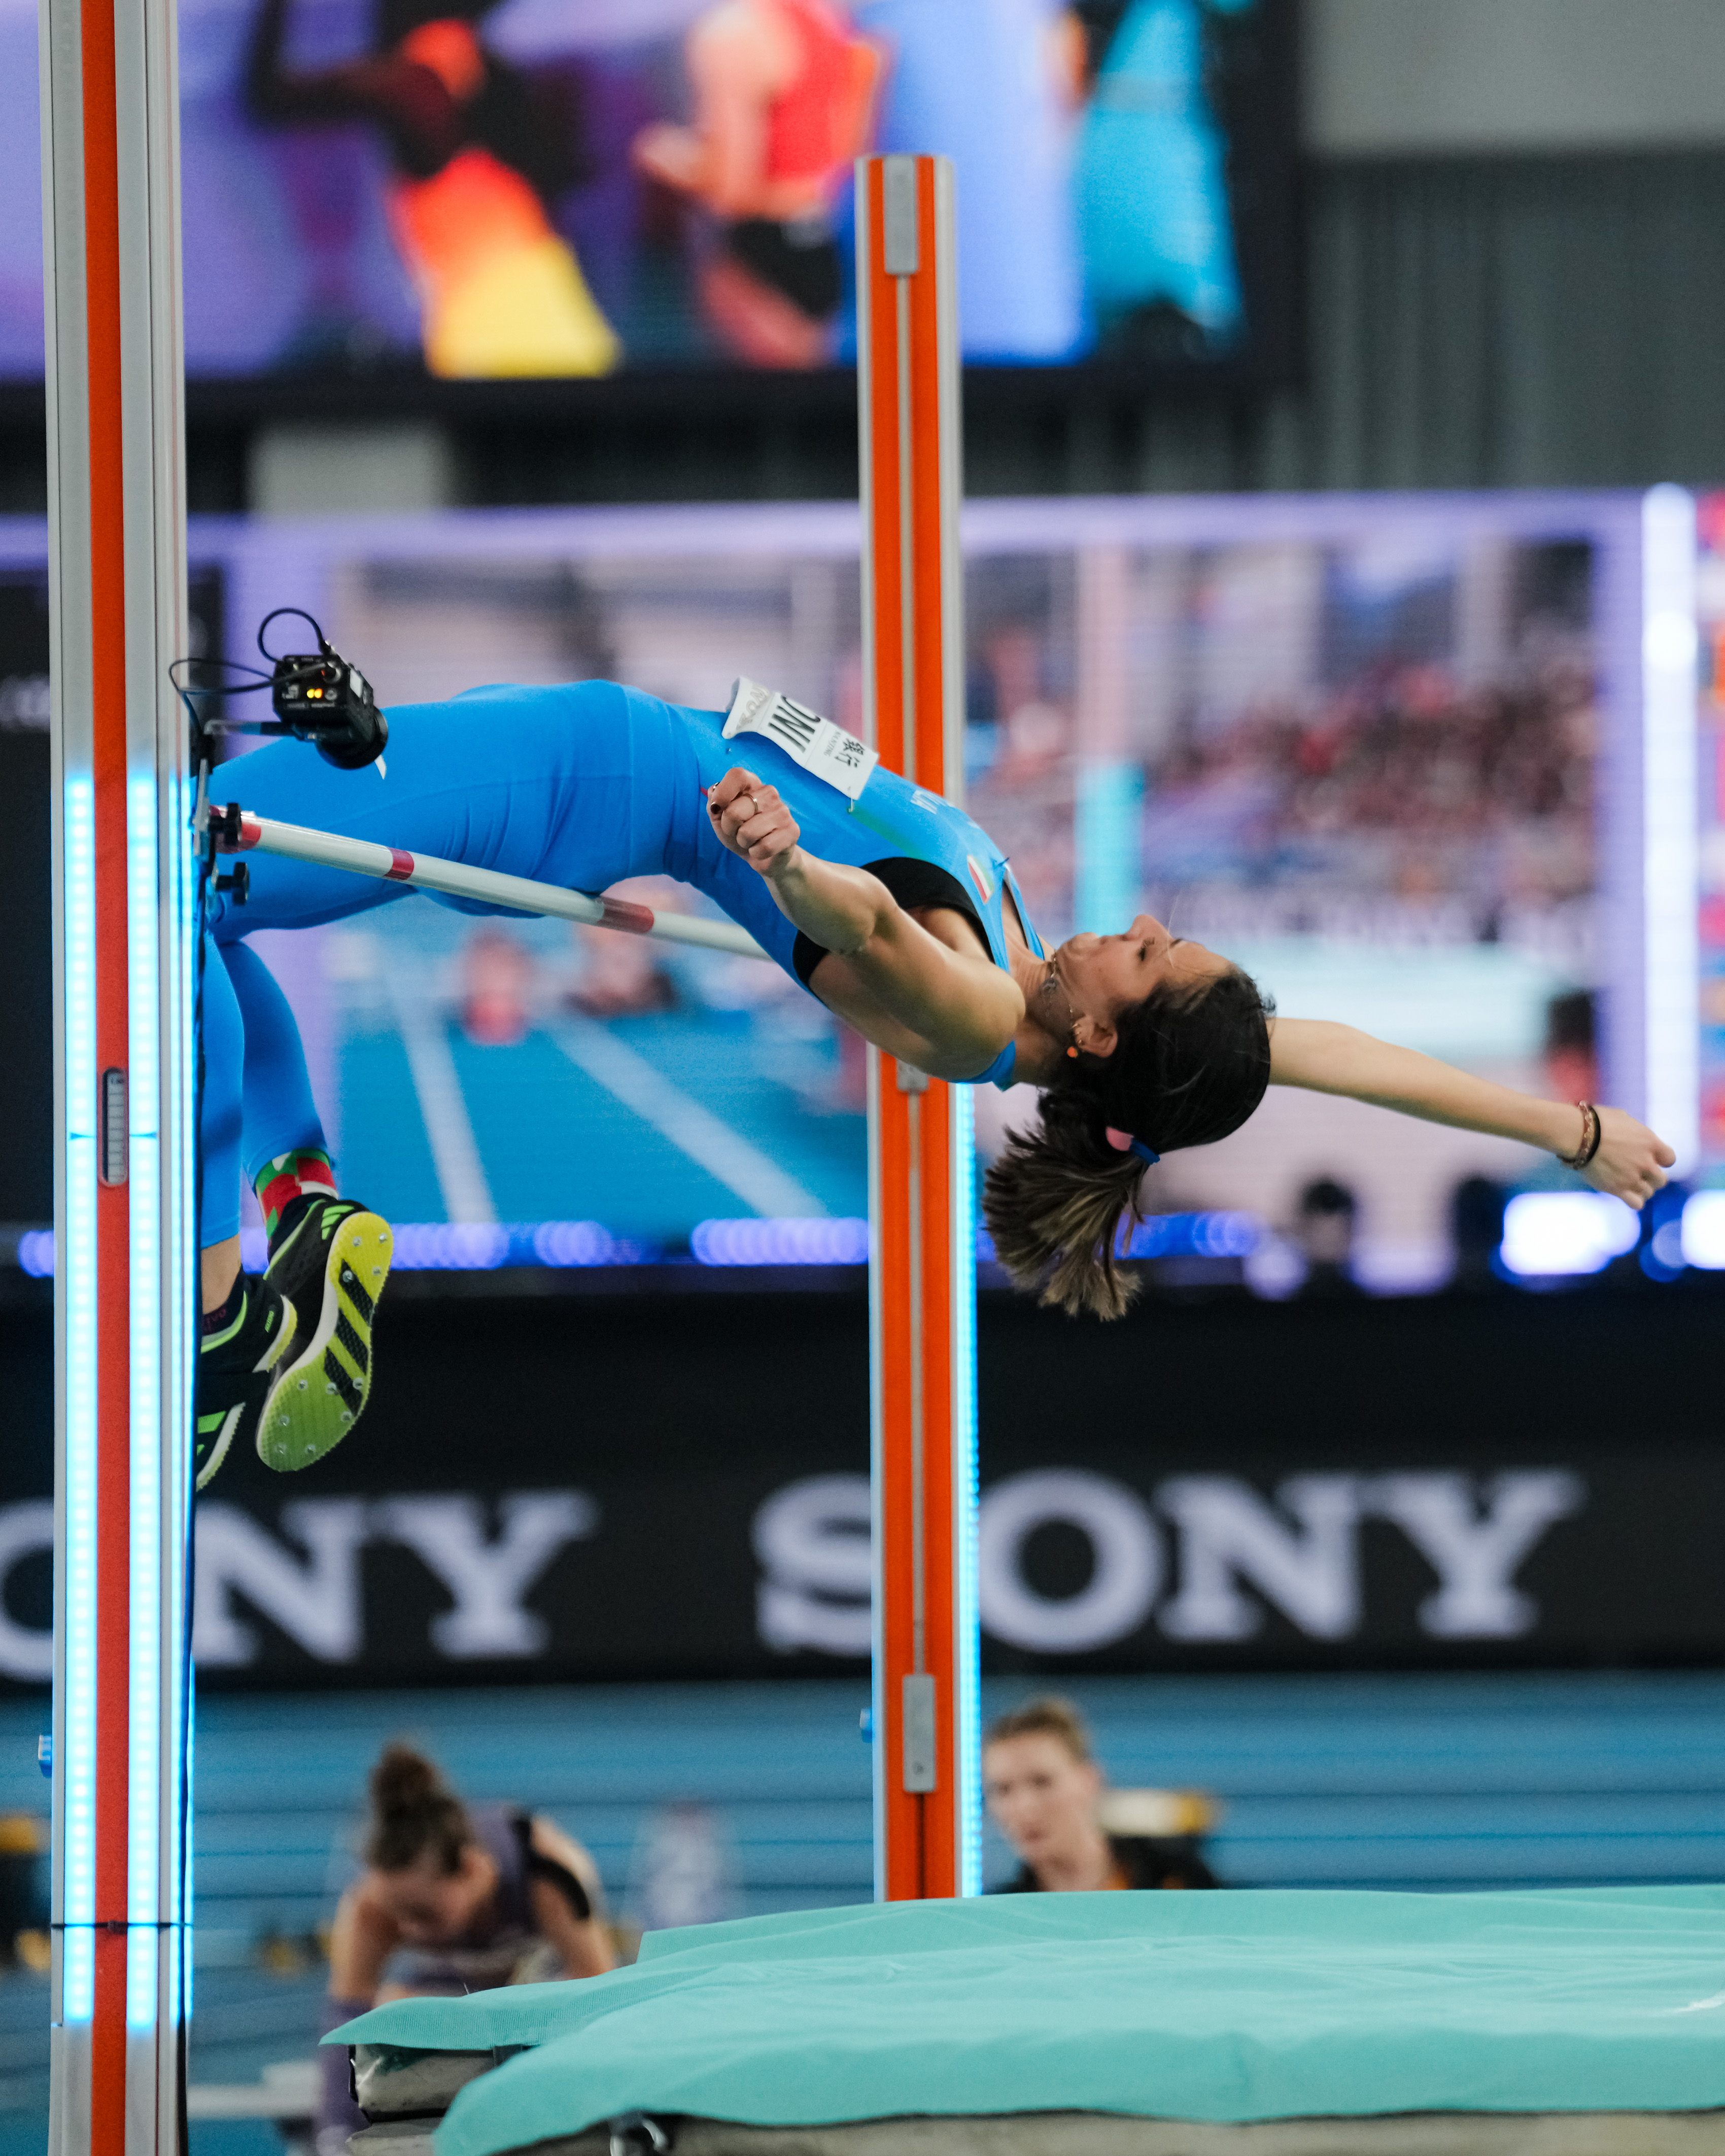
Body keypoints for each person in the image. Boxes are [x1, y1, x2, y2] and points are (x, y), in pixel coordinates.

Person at [194, 675, 1675, 1483]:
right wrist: (1566, 1127)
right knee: (201, 910)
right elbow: (1334, 1056)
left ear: (1103, 1042)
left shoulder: (976, 1008)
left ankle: (216, 1316)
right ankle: (302, 1206)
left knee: (159, 871)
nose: (1135, 925)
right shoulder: (1054, 988)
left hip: (580, 770)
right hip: (599, 761)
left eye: (1145, 955)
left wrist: (789, 864)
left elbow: (878, 931)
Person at [247, 0, 619, 378]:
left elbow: (270, 98)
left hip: (495, 318)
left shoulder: (424, 73)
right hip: (538, 297)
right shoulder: (484, 62)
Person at [317, 1743, 613, 2155]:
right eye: (396, 1914)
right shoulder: (372, 1906)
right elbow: (347, 2019)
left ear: (472, 1870)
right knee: (391, 2007)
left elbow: (600, 1993)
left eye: (423, 1914)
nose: (407, 1929)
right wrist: (334, 2136)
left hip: (539, 1990)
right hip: (453, 1989)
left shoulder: (548, 1875)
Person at [631, 0, 881, 369]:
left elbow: (735, 189)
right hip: (820, 243)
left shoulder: (733, 33)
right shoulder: (826, 18)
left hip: (760, 252)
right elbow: (848, 150)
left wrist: (667, 159)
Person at [984, 1695, 1216, 1892]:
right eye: (1003, 1790)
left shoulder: (1180, 1881)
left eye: (1042, 1782)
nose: (1024, 1807)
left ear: (1090, 1781)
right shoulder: (998, 1918)